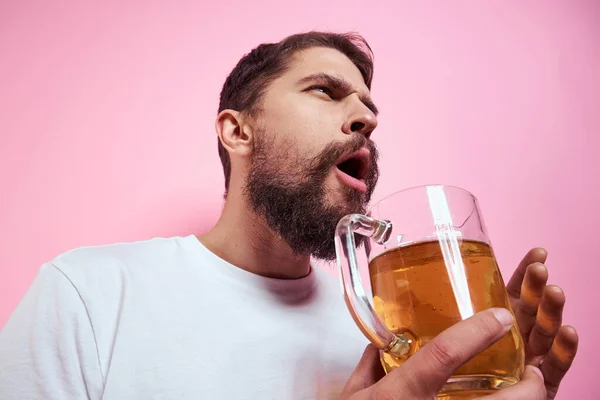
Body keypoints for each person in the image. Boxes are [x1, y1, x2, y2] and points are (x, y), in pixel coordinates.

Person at [0, 31, 578, 399]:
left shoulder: (391, 330)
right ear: (237, 130)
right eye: (326, 92)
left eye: (369, 108)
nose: (365, 119)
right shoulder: (86, 294)